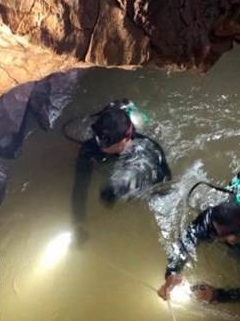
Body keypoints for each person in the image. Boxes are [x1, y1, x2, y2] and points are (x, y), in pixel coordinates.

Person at [71, 104, 171, 243]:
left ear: (124, 139)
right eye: (98, 139)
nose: (99, 145)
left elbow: (164, 187)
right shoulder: (90, 149)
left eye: (105, 143)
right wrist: (78, 222)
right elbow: (80, 187)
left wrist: (126, 189)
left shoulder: (150, 150)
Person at [157, 201, 240, 303]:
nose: (209, 232)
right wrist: (172, 272)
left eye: (215, 233)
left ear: (231, 239)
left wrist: (217, 295)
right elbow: (185, 241)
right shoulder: (211, 218)